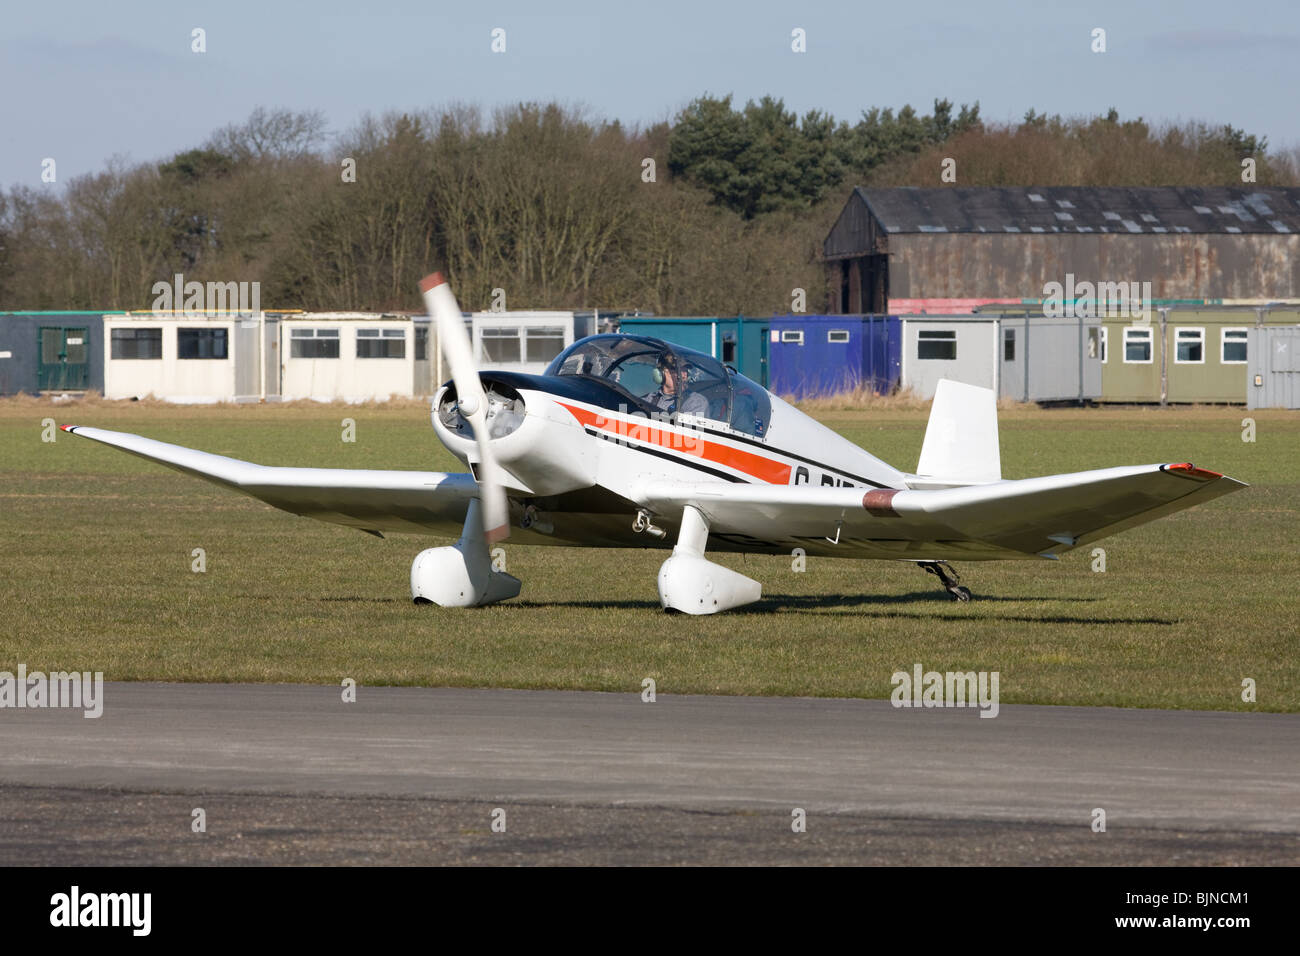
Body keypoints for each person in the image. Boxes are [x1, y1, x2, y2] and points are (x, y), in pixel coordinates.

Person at [644, 352, 709, 417]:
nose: (684, 376)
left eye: (685, 370)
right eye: (677, 371)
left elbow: (689, 427)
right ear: (660, 374)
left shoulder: (696, 402)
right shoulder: (647, 400)